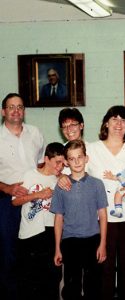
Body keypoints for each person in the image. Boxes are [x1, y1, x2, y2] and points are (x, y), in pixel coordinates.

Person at [58, 106, 125, 300]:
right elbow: (72, 168)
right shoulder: (93, 149)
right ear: (106, 122)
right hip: (101, 220)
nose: (119, 124)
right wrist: (60, 178)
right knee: (103, 270)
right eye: (114, 119)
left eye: (123, 120)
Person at [0, 93, 45, 300]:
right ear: (3, 112)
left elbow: (41, 164)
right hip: (6, 202)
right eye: (11, 107)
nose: (16, 110)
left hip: (34, 201)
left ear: (24, 111)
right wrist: (8, 188)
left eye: (20, 106)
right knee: (9, 254)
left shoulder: (35, 133)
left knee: (33, 253)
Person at [51, 140, 108, 300]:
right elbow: (58, 218)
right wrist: (57, 247)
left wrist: (103, 244)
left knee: (94, 284)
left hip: (93, 239)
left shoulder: (97, 184)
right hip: (70, 241)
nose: (76, 161)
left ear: (86, 158)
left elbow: (103, 216)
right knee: (71, 285)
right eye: (72, 158)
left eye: (80, 157)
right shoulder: (61, 186)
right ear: (67, 162)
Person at [12, 142, 65, 300]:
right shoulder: (30, 174)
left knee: (51, 281)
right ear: (47, 159)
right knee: (28, 281)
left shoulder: (60, 181)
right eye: (57, 162)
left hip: (50, 232)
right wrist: (37, 195)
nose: (60, 166)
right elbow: (15, 201)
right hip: (29, 233)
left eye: (63, 163)